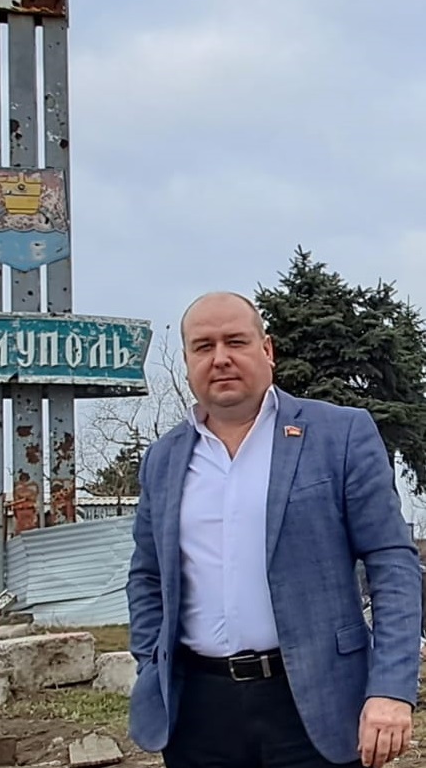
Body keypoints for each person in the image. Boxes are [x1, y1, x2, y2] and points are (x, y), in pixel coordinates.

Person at [127, 291, 422, 768]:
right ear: (186, 362)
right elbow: (146, 576)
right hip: (198, 714)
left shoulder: (340, 435)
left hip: (317, 707)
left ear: (267, 350)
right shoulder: (163, 459)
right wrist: (150, 662)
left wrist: (390, 689)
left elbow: (392, 562)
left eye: (235, 342)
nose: (220, 358)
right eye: (203, 347)